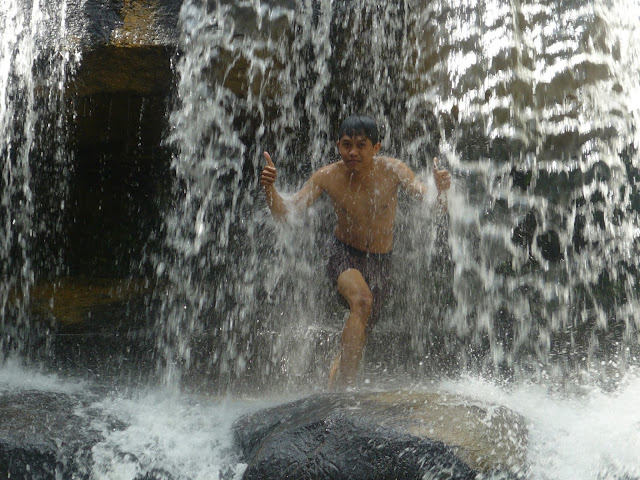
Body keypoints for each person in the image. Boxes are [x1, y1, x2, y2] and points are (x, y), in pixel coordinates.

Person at [260, 115, 451, 389]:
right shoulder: (327, 176)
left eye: (361, 145)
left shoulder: (393, 170)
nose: (352, 152)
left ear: (376, 148)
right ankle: (344, 396)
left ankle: (337, 375)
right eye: (347, 144)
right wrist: (270, 189)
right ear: (337, 145)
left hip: (381, 262)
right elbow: (285, 213)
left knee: (361, 326)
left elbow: (434, 206)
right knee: (362, 301)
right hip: (344, 254)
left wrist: (442, 190)